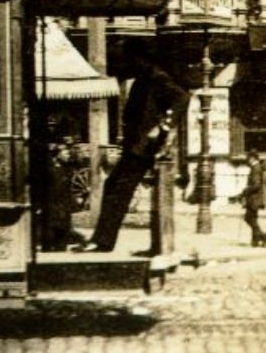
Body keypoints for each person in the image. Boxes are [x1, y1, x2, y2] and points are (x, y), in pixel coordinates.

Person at [80, 66, 189, 252]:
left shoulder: (157, 78)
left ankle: (103, 241)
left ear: (140, 59)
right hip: (135, 146)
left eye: (131, 59)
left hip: (145, 148)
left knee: (120, 189)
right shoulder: (142, 81)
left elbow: (182, 98)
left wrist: (162, 126)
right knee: (112, 185)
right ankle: (102, 240)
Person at [40, 140, 83, 251]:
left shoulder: (67, 168)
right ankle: (48, 246)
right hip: (51, 201)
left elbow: (78, 162)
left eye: (68, 153)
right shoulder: (49, 169)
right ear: (57, 154)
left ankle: (61, 246)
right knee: (50, 224)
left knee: (64, 224)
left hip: (64, 200)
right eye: (65, 153)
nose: (68, 155)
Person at [238, 152, 266, 247]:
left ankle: (263, 237)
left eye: (248, 158)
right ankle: (255, 241)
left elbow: (256, 185)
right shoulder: (257, 167)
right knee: (253, 218)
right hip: (255, 197)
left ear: (252, 158)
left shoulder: (255, 168)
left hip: (254, 198)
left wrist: (244, 191)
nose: (246, 160)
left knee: (248, 218)